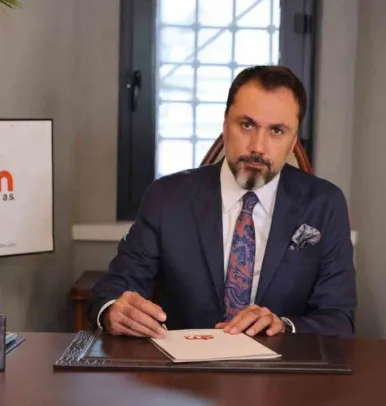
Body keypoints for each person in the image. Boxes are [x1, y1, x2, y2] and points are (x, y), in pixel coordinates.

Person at [87, 65, 357, 338]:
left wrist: (284, 326)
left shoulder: (325, 204)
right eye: (246, 125)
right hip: (186, 360)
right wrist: (113, 311)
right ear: (225, 126)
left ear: (292, 141)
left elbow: (338, 319)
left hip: (281, 361)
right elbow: (114, 289)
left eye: (276, 131)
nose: (257, 147)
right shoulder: (166, 197)